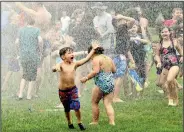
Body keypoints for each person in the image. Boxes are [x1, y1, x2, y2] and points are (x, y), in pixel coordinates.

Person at [52, 42, 98, 130]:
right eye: (69, 53)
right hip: (62, 91)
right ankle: (69, 122)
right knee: (67, 108)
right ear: (63, 57)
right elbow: (53, 68)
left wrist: (93, 50)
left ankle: (80, 122)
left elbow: (86, 59)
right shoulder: (60, 65)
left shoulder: (75, 64)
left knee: (77, 107)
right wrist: (55, 68)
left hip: (73, 90)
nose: (72, 54)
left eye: (72, 53)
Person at [81, 43, 116, 125]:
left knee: (94, 102)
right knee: (108, 103)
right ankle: (112, 122)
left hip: (101, 83)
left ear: (92, 52)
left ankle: (95, 121)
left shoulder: (96, 59)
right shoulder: (108, 58)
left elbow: (95, 71)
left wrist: (86, 78)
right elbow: (114, 70)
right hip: (110, 82)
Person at [155, 27, 183, 106]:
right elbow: (157, 55)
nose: (164, 33)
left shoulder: (174, 42)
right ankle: (171, 99)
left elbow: (181, 51)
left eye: (166, 32)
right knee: (170, 83)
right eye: (162, 32)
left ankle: (175, 99)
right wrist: (159, 62)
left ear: (169, 33)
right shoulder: (159, 44)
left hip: (174, 64)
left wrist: (182, 56)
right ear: (161, 34)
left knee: (170, 79)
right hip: (165, 65)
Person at [16, 16, 43, 100]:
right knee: (32, 76)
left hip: (23, 55)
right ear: (34, 23)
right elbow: (40, 40)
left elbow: (16, 42)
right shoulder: (36, 30)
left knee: (25, 74)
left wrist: (18, 53)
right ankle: (28, 96)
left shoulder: (21, 30)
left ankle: (20, 94)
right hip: (33, 55)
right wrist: (40, 51)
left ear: (26, 22)